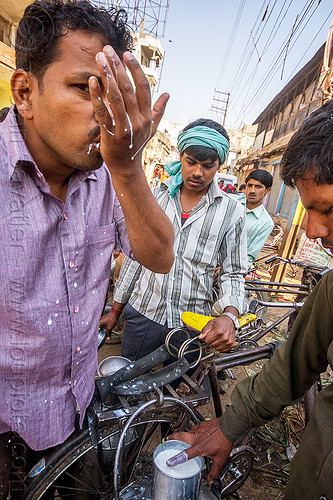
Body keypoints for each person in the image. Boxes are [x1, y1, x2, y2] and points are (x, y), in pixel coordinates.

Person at [0, 0, 175, 495]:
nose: (106, 113)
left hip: (77, 411)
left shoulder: (107, 176)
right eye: (84, 89)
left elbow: (160, 256)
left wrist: (126, 167)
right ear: (25, 92)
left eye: (115, 95)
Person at [168, 99, 333, 500]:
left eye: (326, 209)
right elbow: (292, 365)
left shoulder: (231, 213)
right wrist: (228, 424)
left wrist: (229, 310)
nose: (312, 230)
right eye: (307, 210)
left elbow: (236, 269)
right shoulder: (160, 196)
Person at [101, 118, 248, 359]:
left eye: (208, 166)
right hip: (143, 312)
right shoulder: (155, 197)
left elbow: (233, 271)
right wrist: (116, 309)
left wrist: (229, 315)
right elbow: (136, 258)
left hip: (192, 323)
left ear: (219, 165)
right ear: (181, 157)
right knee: (130, 383)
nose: (197, 172)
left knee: (178, 391)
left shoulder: (231, 211)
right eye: (191, 162)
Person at [233, 169, 274, 266]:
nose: (252, 190)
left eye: (258, 187)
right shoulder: (231, 202)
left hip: (230, 269)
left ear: (267, 191)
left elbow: (249, 256)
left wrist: (228, 270)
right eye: (250, 185)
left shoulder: (266, 223)